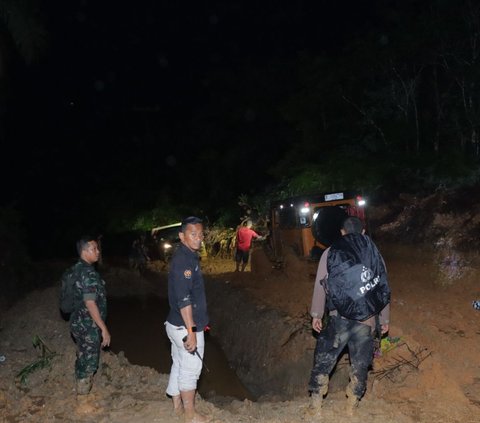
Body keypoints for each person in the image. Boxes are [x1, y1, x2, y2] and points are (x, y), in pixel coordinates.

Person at [308, 216, 390, 415]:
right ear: (363, 232)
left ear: (342, 232)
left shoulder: (331, 252)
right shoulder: (373, 252)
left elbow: (321, 284)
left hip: (339, 318)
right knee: (360, 364)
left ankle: (316, 408)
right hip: (367, 319)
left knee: (324, 360)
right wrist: (385, 319)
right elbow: (382, 285)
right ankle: (351, 407)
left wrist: (317, 314)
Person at [165, 217, 210, 423]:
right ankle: (189, 415)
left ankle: (176, 406)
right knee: (191, 369)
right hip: (185, 326)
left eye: (200, 234)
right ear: (182, 236)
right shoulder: (183, 261)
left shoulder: (189, 257)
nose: (198, 238)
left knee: (179, 363)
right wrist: (191, 331)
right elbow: (184, 300)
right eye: (193, 234)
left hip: (174, 324)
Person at [70, 236, 111, 395]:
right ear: (85, 251)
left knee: (82, 356)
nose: (98, 251)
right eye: (94, 249)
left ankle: (80, 387)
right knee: (89, 362)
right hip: (88, 325)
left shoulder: (76, 269)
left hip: (77, 322)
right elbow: (90, 303)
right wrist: (104, 328)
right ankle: (82, 401)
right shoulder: (88, 273)